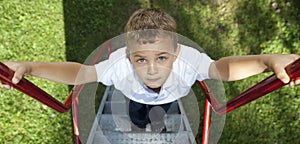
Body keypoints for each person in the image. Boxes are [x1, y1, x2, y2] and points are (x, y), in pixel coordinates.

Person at [1, 8, 299, 133]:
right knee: (136, 114)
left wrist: (265, 61)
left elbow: (220, 69)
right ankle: (141, 123)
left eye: (162, 57)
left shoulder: (188, 60)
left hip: (170, 99)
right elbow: (82, 74)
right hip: (133, 98)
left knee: (165, 111)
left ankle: (156, 122)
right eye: (141, 59)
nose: (152, 69)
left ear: (177, 52)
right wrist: (30, 68)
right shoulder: (118, 64)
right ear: (129, 57)